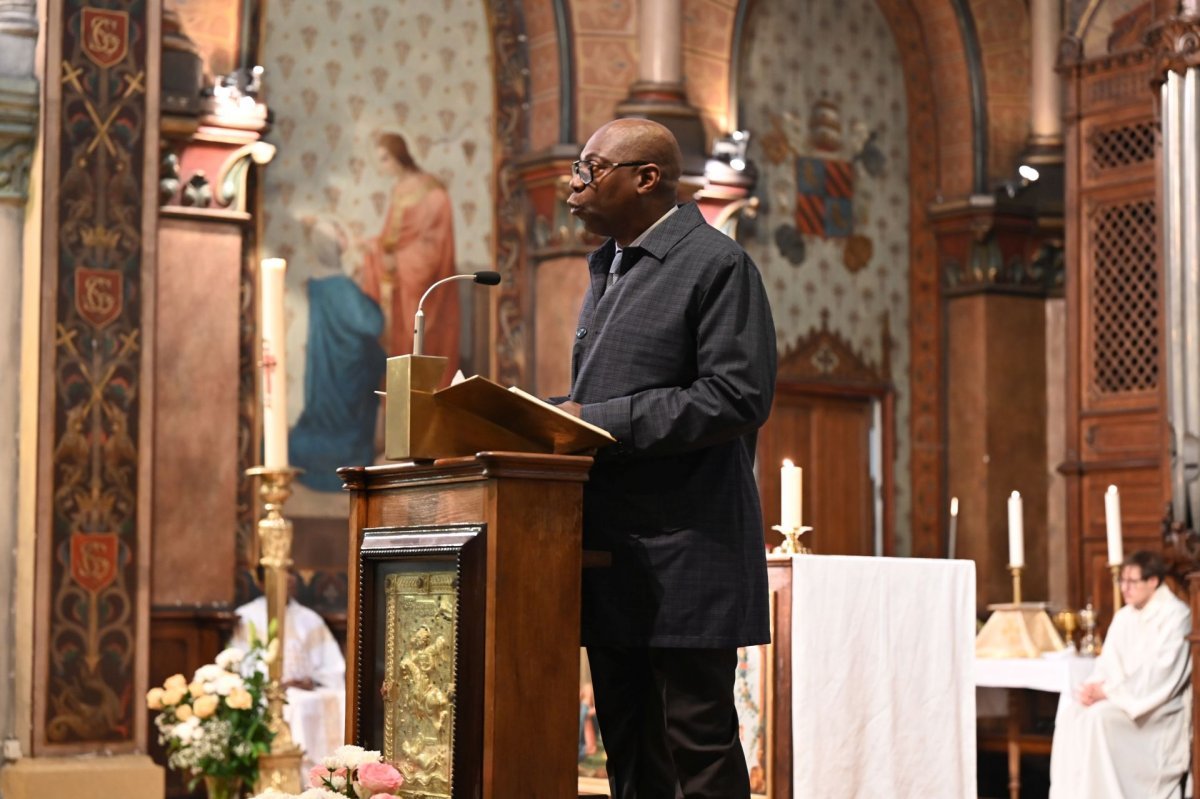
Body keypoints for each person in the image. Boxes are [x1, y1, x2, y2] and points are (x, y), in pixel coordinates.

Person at [559, 118, 777, 798]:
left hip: (689, 545)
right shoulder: (612, 265)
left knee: (696, 742)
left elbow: (736, 395)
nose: (574, 183)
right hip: (613, 548)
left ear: (645, 178)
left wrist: (591, 421)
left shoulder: (716, 264)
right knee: (630, 747)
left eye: (591, 169)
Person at [1049, 550, 1192, 798]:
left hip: (1155, 711)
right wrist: (1093, 689)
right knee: (1073, 712)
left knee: (1099, 719)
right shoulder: (1125, 616)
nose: (1124, 588)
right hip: (1124, 700)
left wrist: (1109, 692)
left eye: (1131, 582)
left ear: (1153, 582)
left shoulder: (1176, 615)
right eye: (1122, 581)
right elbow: (1108, 664)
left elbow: (1159, 674)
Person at [289, 218, 387, 490]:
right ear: (335, 245)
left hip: (329, 370)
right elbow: (372, 323)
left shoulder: (320, 285)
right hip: (346, 377)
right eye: (341, 232)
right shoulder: (342, 288)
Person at [359, 131, 459, 377]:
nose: (382, 166)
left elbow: (434, 247)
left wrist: (400, 260)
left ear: (398, 156)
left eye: (384, 159)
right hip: (400, 288)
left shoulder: (432, 192)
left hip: (420, 285)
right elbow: (391, 239)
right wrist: (374, 248)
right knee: (401, 344)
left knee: (421, 339)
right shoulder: (400, 189)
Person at [230, 571, 346, 772]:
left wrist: (311, 681)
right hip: (267, 691)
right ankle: (296, 774)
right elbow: (240, 664)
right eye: (281, 572)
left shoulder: (310, 619)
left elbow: (332, 667)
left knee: (342, 699)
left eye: (291, 572)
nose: (289, 578)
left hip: (306, 689)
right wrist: (275, 682)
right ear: (260, 582)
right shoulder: (246, 616)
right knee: (293, 705)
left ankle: (330, 777)